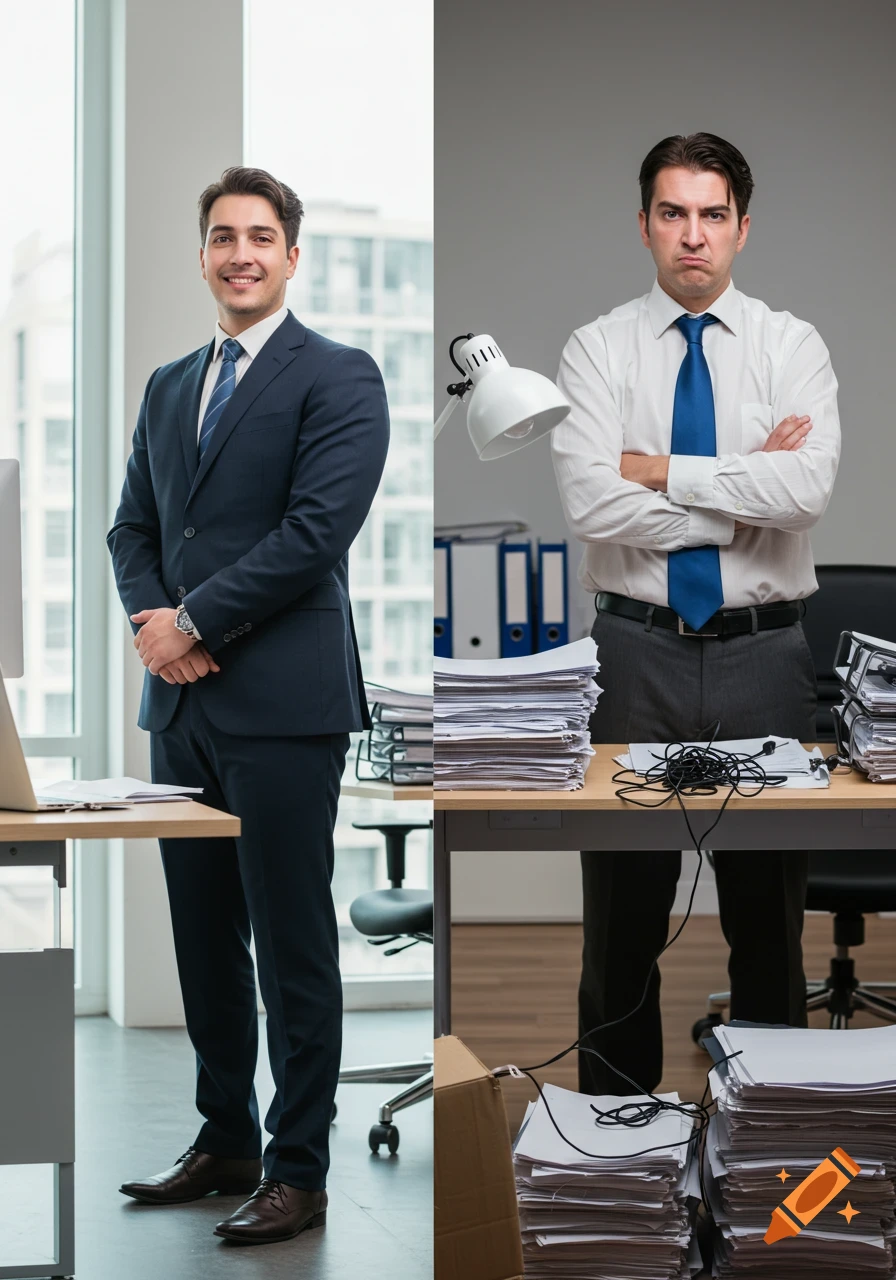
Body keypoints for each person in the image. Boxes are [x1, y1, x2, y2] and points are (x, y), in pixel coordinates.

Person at [107, 166, 389, 1243]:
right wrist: (155, 625)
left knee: (289, 940)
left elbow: (314, 533)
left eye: (260, 237)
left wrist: (194, 622)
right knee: (203, 936)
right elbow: (134, 527)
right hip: (182, 706)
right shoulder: (169, 383)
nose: (241, 254)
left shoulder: (339, 375)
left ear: (291, 255)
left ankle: (297, 1168)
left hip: (283, 704)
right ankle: (223, 1137)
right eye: (223, 236)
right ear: (202, 255)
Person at [551, 132, 840, 1097]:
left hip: (766, 659)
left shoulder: (791, 346)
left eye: (713, 215)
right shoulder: (596, 349)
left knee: (769, 927)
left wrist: (656, 469)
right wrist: (743, 485)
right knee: (620, 928)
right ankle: (615, 1147)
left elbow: (805, 492)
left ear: (742, 229)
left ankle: (766, 1151)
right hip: (635, 655)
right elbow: (592, 505)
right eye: (673, 213)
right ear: (643, 225)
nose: (693, 235)